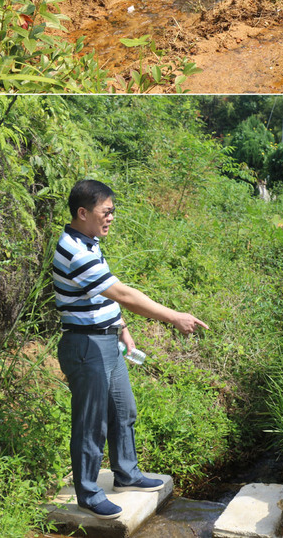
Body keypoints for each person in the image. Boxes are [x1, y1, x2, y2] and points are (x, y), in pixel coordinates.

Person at [54, 179, 209, 520]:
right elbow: (123, 294)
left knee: (123, 411)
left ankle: (126, 473)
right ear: (82, 213)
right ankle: (89, 493)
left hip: (106, 339)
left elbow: (105, 294)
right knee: (90, 423)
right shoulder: (74, 251)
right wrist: (174, 317)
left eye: (113, 212)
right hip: (85, 345)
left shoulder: (90, 242)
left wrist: (122, 329)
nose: (111, 218)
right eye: (105, 212)